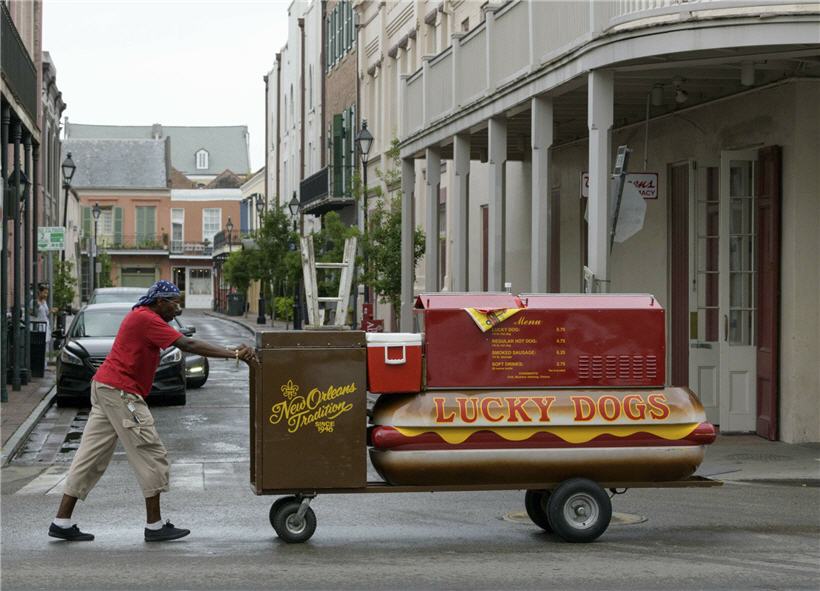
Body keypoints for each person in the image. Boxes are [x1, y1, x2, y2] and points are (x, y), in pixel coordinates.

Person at [48, 280, 257, 543]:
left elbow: (182, 341)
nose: (177, 308)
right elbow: (188, 345)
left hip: (106, 387)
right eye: (174, 303)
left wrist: (229, 351)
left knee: (90, 457)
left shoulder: (143, 316)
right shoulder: (147, 319)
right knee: (150, 452)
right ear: (160, 302)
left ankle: (61, 521)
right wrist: (232, 353)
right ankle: (155, 526)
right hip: (121, 392)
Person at [32, 284, 57, 372]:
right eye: (45, 293)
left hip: (45, 327)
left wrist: (51, 311)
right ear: (40, 292)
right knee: (40, 347)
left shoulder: (44, 302)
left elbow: (45, 313)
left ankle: (44, 365)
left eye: (47, 293)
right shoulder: (35, 302)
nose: (46, 295)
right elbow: (32, 313)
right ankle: (40, 366)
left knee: (45, 347)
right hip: (39, 327)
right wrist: (37, 307)